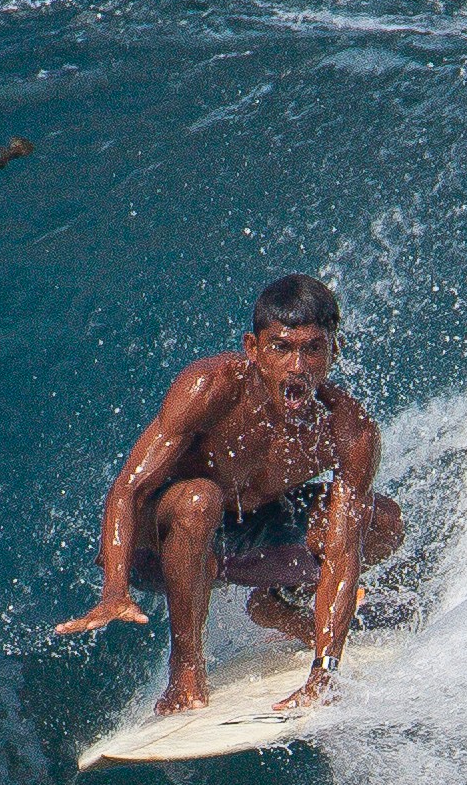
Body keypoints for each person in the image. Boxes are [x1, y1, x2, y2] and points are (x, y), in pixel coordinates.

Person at [47, 272, 408, 719]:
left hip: (244, 542)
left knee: (382, 519)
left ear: (335, 350)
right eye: (282, 348)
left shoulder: (347, 430)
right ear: (253, 349)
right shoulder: (211, 387)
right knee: (199, 499)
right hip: (162, 544)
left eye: (313, 348)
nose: (298, 366)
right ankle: (186, 669)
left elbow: (343, 550)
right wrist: (115, 590)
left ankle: (277, 603)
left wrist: (324, 674)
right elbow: (128, 488)